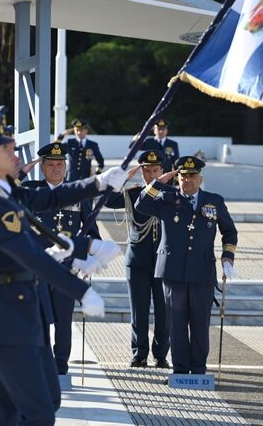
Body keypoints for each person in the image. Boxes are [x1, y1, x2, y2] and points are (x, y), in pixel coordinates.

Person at [0, 106, 126, 426]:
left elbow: (48, 199)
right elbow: (27, 253)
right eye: (8, 150)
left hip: (8, 306)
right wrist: (80, 289)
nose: (17, 155)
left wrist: (98, 183)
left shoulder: (4, 192)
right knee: (38, 412)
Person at [135, 155, 237, 378]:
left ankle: (198, 370)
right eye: (182, 176)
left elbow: (229, 230)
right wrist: (159, 181)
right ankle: (180, 371)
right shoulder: (166, 199)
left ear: (200, 178)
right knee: (177, 324)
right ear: (177, 177)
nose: (187, 180)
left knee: (200, 324)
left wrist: (227, 256)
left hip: (202, 271)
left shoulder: (214, 201)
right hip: (173, 271)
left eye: (192, 176)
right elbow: (141, 205)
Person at [22, 141, 99, 377]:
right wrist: (19, 173)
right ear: (42, 167)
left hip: (66, 270)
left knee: (64, 321)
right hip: (38, 268)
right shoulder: (31, 191)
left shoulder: (77, 193)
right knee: (39, 319)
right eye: (51, 164)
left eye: (60, 164)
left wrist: (86, 258)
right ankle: (40, 362)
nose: (56, 168)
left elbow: (91, 232)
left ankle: (61, 365)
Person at [105, 149, 170, 369]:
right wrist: (124, 177)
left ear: (163, 171)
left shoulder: (171, 194)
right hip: (137, 259)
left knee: (164, 311)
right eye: (147, 171)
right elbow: (106, 200)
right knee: (139, 310)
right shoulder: (132, 193)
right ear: (141, 172)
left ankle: (161, 355)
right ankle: (139, 353)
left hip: (163, 260)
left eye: (155, 171)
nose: (151, 175)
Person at [54, 118, 104, 183]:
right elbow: (54, 149)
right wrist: (62, 135)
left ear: (86, 131)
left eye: (81, 130)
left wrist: (96, 174)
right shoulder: (70, 143)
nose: (79, 132)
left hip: (86, 179)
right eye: (77, 130)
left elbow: (101, 161)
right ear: (74, 130)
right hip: (71, 178)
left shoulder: (92, 145)